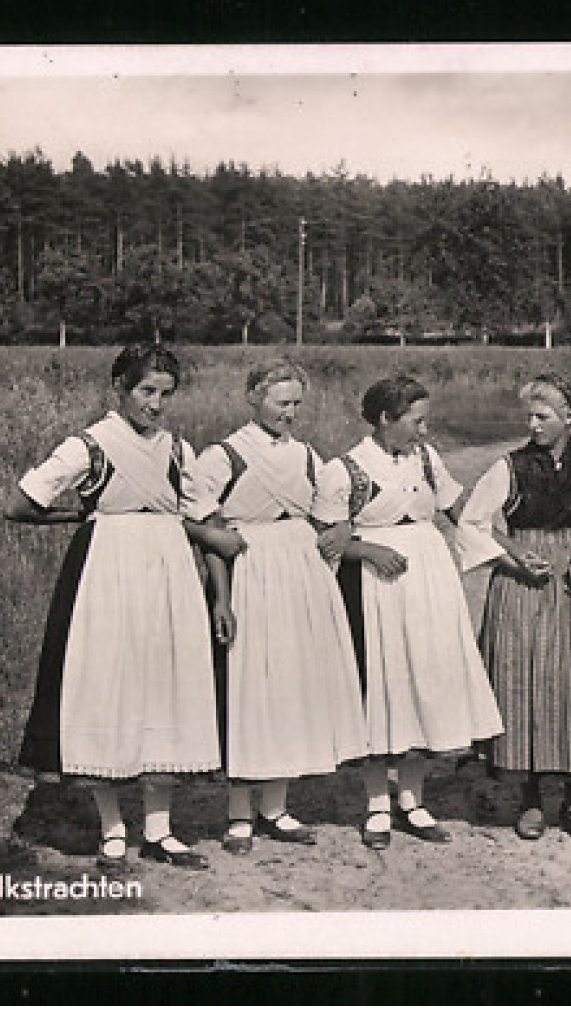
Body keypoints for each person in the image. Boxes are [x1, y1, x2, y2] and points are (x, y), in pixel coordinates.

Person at [5, 342, 243, 871]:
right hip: (105, 576)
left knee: (167, 688)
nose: (156, 405)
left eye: (165, 394)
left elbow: (208, 524)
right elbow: (19, 504)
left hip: (170, 578)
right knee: (107, 689)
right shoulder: (89, 446)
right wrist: (79, 518)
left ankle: (159, 829)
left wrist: (220, 598)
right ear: (120, 388)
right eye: (146, 392)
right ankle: (113, 830)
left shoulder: (178, 451)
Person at [311, 374, 504, 849]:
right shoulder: (344, 470)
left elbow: (460, 510)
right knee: (382, 688)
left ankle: (413, 801)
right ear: (384, 419)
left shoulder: (426, 459)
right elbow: (322, 538)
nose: (423, 430)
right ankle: (378, 804)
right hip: (373, 588)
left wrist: (508, 550)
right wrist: (369, 551)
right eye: (415, 421)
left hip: (429, 582)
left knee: (424, 683)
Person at [191, 360, 369, 855]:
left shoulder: (310, 456)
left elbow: (332, 518)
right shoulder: (225, 455)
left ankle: (277, 807)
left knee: (290, 687)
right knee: (252, 689)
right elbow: (211, 535)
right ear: (253, 397)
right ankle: (239, 814)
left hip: (301, 576)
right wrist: (221, 598)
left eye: (295, 404)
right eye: (279, 403)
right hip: (252, 572)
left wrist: (341, 531)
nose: (289, 413)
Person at [457, 373, 571, 844]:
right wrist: (513, 554)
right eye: (530, 416)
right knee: (530, 681)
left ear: (569, 418)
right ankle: (532, 799)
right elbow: (473, 522)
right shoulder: (509, 467)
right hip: (525, 583)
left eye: (544, 416)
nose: (533, 424)